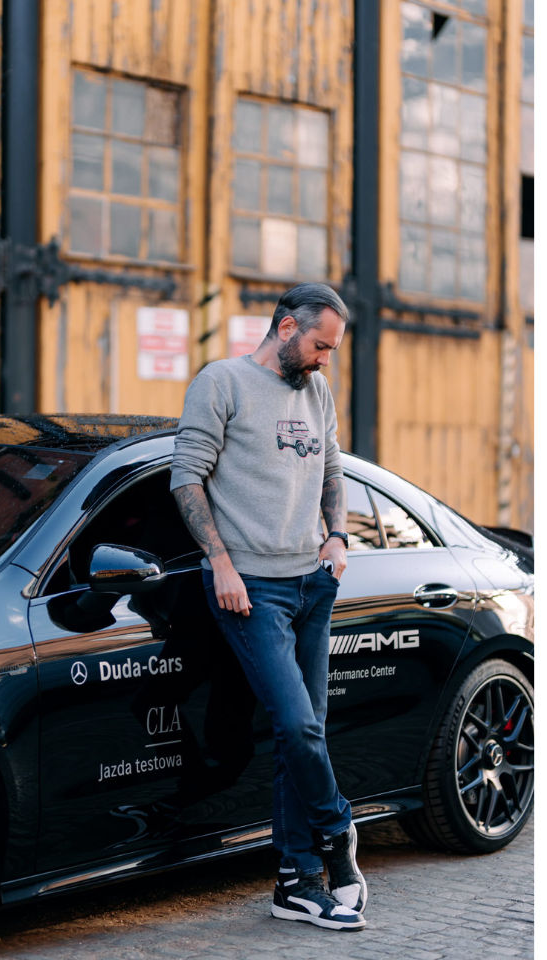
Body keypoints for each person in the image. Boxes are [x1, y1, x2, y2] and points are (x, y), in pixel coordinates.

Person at [170, 283, 367, 932]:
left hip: (312, 581)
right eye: (320, 346)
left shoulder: (317, 391)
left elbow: (332, 468)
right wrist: (220, 563)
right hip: (251, 589)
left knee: (301, 734)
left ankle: (295, 882)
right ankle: (338, 830)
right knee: (298, 725)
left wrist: (337, 536)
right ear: (286, 328)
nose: (325, 360)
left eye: (331, 350)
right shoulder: (220, 383)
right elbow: (186, 478)